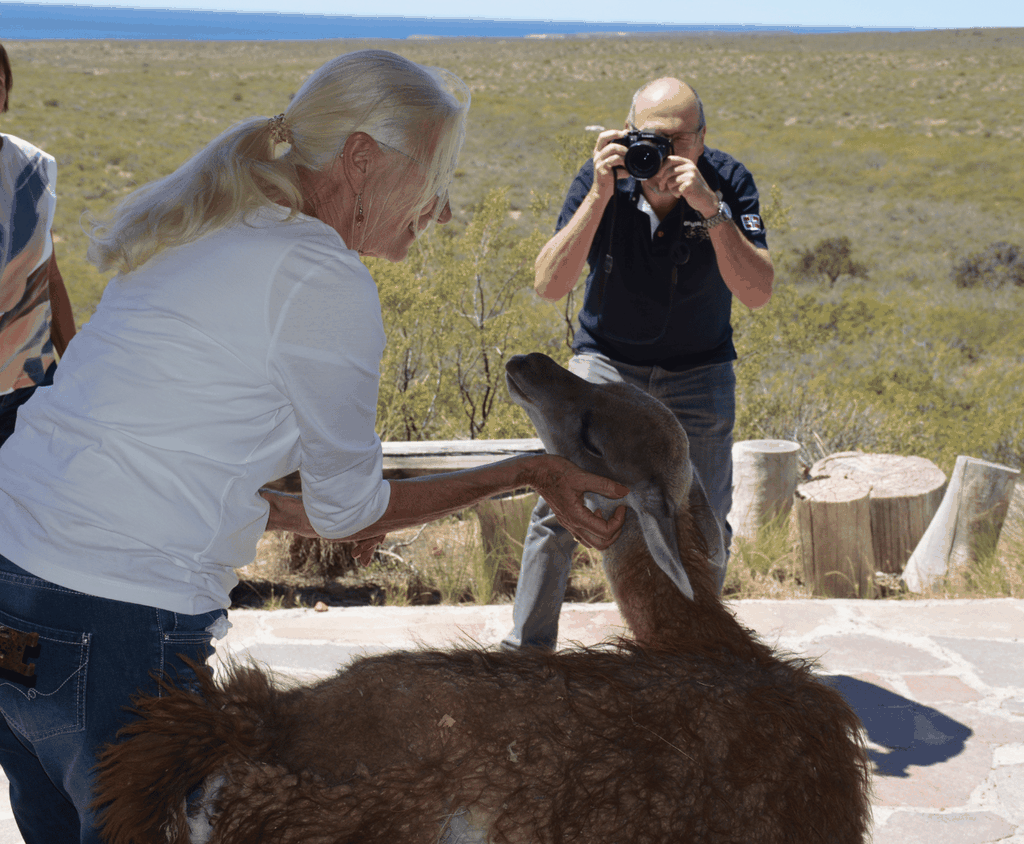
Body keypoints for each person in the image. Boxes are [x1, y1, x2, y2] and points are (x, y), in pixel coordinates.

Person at [0, 49, 627, 844]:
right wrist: (527, 471)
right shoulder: (320, 276)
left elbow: (190, 477)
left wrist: (342, 511)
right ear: (362, 158)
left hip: (16, 590)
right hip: (117, 619)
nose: (437, 211)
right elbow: (346, 510)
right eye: (432, 179)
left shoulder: (201, 227)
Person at [503, 76, 774, 651]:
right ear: (628, 135)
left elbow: (757, 292)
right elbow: (550, 286)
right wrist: (600, 194)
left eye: (682, 140)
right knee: (559, 505)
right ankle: (526, 655)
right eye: (653, 139)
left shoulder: (727, 182)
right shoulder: (605, 179)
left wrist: (712, 210)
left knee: (706, 524)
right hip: (606, 367)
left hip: (699, 371)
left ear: (703, 138)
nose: (668, 154)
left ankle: (695, 659)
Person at [0, 41, 77, 445]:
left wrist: (77, 365)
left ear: (7, 90)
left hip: (29, 387)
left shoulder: (33, 169)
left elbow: (47, 272)